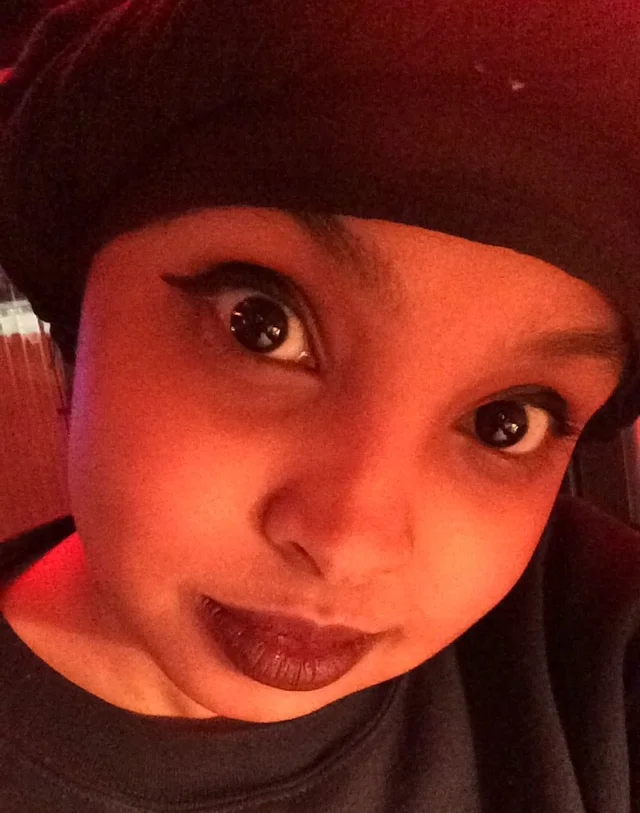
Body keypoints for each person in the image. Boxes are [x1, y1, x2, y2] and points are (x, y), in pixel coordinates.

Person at [0, 0, 638, 810]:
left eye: (505, 422)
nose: (348, 546)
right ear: (82, 304)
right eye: (263, 326)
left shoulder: (592, 657)